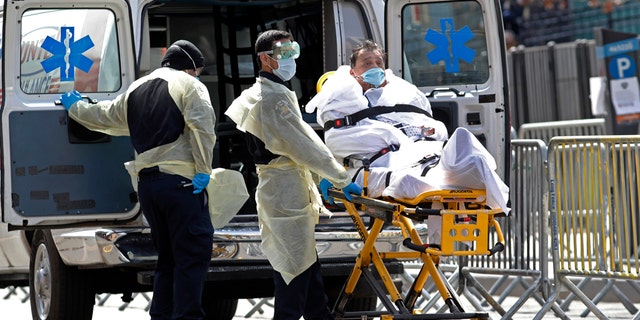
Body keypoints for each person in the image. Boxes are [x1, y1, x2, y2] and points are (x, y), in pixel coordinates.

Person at [58, 40, 217, 320]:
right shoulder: (190, 85)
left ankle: (162, 316)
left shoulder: (135, 88)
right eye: (199, 70)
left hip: (148, 187)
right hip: (182, 184)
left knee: (167, 259)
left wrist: (76, 107)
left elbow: (104, 117)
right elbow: (203, 129)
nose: (199, 75)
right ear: (191, 66)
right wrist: (204, 170)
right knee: (192, 256)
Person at [307, 40, 510, 242]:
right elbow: (343, 141)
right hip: (390, 162)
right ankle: (454, 171)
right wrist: (390, 137)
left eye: (379, 63)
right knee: (414, 177)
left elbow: (431, 127)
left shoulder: (403, 96)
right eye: (367, 63)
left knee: (462, 141)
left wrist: (425, 131)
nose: (375, 67)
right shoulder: (346, 103)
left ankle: (459, 166)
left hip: (424, 152)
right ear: (353, 72)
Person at [224, 30, 361, 320]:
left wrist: (317, 179)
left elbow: (293, 149)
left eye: (292, 51)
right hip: (285, 192)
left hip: (282, 188)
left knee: (305, 269)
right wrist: (340, 177)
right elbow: (304, 146)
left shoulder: (265, 94)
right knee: (293, 271)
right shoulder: (272, 100)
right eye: (282, 53)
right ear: (265, 58)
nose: (290, 59)